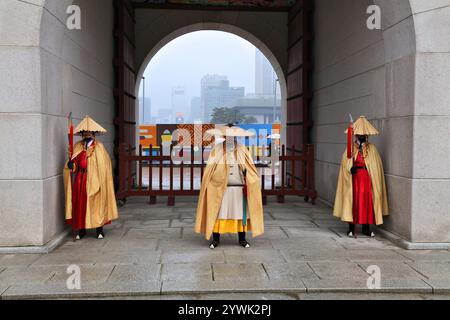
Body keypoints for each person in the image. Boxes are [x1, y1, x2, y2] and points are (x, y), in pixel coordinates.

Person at [195, 125, 264, 248]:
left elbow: (250, 167)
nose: (231, 138)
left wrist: (248, 176)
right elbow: (209, 170)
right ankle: (215, 239)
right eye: (228, 136)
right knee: (218, 213)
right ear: (224, 136)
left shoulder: (243, 149)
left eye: (233, 136)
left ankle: (242, 239)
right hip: (220, 188)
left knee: (240, 213)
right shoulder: (217, 149)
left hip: (239, 188)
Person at [63, 116, 119, 240]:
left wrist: (100, 178)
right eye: (85, 133)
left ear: (94, 134)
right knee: (80, 204)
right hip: (80, 179)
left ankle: (99, 229)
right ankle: (81, 230)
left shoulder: (99, 147)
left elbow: (105, 165)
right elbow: (74, 164)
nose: (87, 134)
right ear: (82, 134)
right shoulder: (77, 147)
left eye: (90, 133)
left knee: (97, 203)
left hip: (96, 179)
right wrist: (71, 165)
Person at [333, 116, 389, 238]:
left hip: (367, 179)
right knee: (353, 202)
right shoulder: (351, 148)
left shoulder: (372, 149)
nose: (362, 137)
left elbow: (375, 166)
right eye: (359, 135)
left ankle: (366, 228)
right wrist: (349, 168)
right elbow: (345, 163)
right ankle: (351, 228)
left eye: (364, 135)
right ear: (355, 136)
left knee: (367, 202)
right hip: (354, 179)